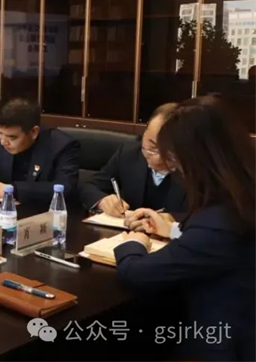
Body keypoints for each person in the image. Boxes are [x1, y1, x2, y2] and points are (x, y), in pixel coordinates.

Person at [115, 96, 256, 362]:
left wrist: (132, 243)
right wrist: (173, 230)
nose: (174, 168)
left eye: (175, 159)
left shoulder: (220, 221)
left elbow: (137, 273)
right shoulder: (242, 192)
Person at [80, 103, 186, 217]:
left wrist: (168, 220)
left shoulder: (194, 170)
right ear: (145, 131)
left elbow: (198, 216)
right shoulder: (129, 154)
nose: (158, 158)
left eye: (167, 152)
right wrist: (103, 200)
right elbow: (89, 186)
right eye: (152, 146)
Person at [0, 98, 79, 205]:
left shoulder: (61, 145)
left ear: (34, 132)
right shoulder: (0, 138)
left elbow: (65, 188)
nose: (3, 142)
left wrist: (11, 190)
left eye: (12, 137)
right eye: (0, 133)